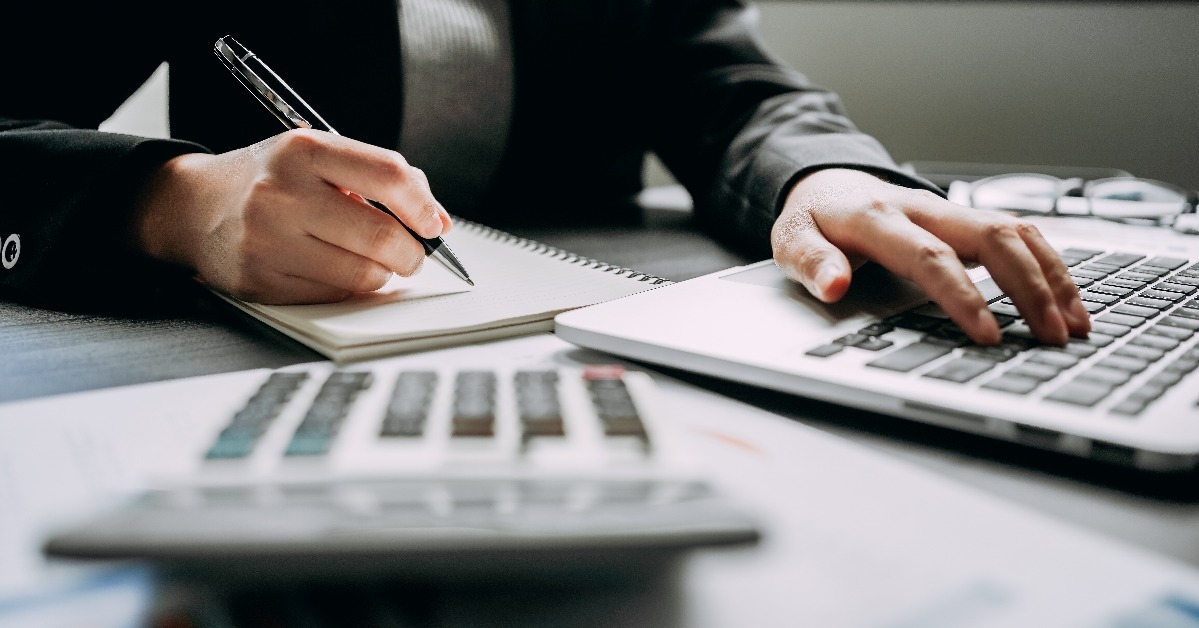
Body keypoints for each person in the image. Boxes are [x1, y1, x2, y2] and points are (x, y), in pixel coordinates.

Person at [0, 0, 1088, 346]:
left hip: (611, 341)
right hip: (246, 352)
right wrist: (172, 203)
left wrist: (824, 180)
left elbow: (733, 90)